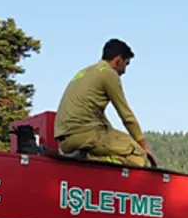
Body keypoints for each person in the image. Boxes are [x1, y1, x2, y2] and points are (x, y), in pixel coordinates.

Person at [53, 39, 156, 168]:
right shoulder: (109, 74)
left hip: (64, 140)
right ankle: (90, 158)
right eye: (126, 64)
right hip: (85, 135)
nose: (124, 71)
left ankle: (85, 156)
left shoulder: (84, 72)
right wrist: (144, 146)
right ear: (118, 60)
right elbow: (126, 116)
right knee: (138, 156)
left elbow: (94, 114)